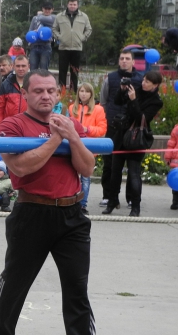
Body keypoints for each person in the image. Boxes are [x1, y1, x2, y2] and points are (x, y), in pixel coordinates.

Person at [0, 69, 101, 335]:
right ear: (26, 93)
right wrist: (56, 139)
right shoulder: (12, 126)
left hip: (72, 215)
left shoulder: (70, 124)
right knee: (16, 280)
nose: (46, 96)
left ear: (58, 93)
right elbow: (21, 166)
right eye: (39, 91)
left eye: (51, 91)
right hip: (31, 213)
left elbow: (87, 167)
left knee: (78, 291)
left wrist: (73, 137)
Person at [104, 71, 163, 217]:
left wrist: (133, 100)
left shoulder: (156, 101)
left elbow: (142, 118)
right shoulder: (136, 90)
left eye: (147, 82)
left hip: (137, 139)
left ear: (155, 85)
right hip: (122, 135)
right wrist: (122, 90)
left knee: (134, 174)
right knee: (115, 172)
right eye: (143, 80)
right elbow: (118, 101)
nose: (143, 83)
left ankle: (135, 206)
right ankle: (112, 202)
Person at [99, 49, 143, 209]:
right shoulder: (110, 78)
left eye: (127, 58)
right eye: (122, 58)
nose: (124, 61)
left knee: (133, 165)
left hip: (132, 128)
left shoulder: (140, 79)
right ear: (119, 61)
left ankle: (131, 198)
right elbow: (103, 100)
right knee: (109, 163)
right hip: (113, 126)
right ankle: (108, 196)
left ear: (133, 62)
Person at [68, 82, 106, 215]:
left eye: (86, 91)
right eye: (81, 91)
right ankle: (72, 202)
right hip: (73, 146)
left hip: (88, 147)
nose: (83, 94)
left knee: (85, 177)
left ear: (91, 94)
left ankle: (83, 205)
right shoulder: (72, 107)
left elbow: (102, 129)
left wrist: (87, 129)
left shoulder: (98, 109)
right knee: (71, 176)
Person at [52, 0, 92, 93]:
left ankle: (73, 92)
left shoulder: (84, 17)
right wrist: (59, 37)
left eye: (74, 4)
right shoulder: (59, 16)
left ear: (77, 5)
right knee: (62, 71)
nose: (72, 6)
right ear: (67, 5)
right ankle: (61, 92)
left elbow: (89, 29)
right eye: (70, 4)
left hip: (77, 48)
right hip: (63, 47)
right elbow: (54, 29)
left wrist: (82, 38)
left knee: (75, 71)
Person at [0, 54, 30, 129]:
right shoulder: (6, 84)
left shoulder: (34, 84)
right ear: (13, 66)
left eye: (23, 66)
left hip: (29, 127)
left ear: (28, 66)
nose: (20, 68)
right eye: (18, 66)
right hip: (9, 127)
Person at [27, 2, 56, 70]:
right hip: (35, 45)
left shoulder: (54, 18)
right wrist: (33, 32)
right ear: (42, 9)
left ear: (52, 10)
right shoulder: (35, 18)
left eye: (49, 9)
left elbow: (45, 19)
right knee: (33, 68)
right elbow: (29, 31)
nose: (47, 10)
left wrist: (39, 15)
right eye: (45, 8)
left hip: (46, 46)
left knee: (44, 68)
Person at [166, 122, 178, 210]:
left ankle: (175, 203)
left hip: (176, 160)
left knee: (176, 181)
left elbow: (171, 144)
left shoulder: (176, 129)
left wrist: (168, 157)